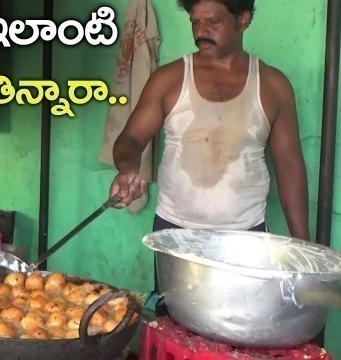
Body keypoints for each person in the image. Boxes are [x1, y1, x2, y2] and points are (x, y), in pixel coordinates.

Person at [109, 0, 318, 344]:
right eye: (195, 22)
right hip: (175, 235)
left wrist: (303, 250)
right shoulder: (170, 79)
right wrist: (128, 169)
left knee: (240, 335)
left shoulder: (273, 86)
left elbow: (290, 167)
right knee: (175, 334)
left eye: (213, 21)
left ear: (243, 20)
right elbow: (129, 139)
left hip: (245, 239)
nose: (201, 31)